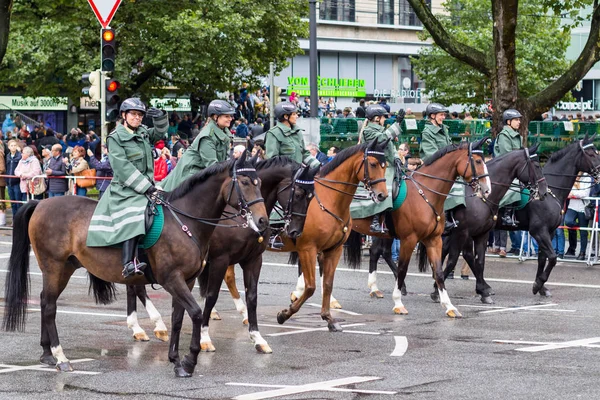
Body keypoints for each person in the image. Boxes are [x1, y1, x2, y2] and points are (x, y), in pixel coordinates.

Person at [86, 98, 169, 278]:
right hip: (126, 189)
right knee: (136, 214)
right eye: (133, 114)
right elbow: (122, 168)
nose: (137, 118)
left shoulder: (144, 133)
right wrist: (146, 188)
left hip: (148, 186)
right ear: (124, 115)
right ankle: (128, 263)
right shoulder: (115, 138)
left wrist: (161, 117)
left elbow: (161, 132)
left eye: (140, 115)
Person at [160, 99, 235, 192]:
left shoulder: (223, 132)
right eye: (226, 116)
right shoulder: (207, 136)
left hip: (203, 175)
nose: (230, 119)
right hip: (191, 177)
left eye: (230, 116)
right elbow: (213, 166)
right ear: (216, 117)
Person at [359, 104, 404, 232]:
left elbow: (391, 147)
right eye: (384, 117)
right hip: (375, 167)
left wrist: (396, 157)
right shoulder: (369, 131)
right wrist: (397, 124)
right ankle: (375, 220)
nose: (385, 119)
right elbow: (382, 140)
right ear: (377, 119)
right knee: (386, 186)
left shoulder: (381, 130)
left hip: (389, 165)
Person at [419, 102, 463, 232]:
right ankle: (446, 217)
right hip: (434, 169)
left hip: (446, 169)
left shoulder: (444, 129)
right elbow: (432, 154)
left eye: (444, 115)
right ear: (432, 116)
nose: (443, 117)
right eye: (441, 115)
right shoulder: (427, 132)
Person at [493, 109, 524, 257]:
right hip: (505, 170)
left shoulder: (518, 136)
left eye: (519, 119)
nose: (519, 122)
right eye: (516, 119)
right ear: (508, 122)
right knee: (514, 186)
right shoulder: (505, 135)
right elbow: (508, 155)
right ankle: (506, 213)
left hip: (515, 168)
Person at [264, 101, 320, 168]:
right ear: (286, 116)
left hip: (298, 174)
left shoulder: (298, 132)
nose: (297, 116)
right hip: (284, 176)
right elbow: (272, 160)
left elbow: (304, 154)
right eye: (294, 114)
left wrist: (318, 166)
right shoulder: (274, 134)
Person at [565, 172, 592, 260]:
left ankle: (582, 252)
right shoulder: (572, 175)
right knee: (568, 221)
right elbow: (568, 190)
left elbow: (585, 194)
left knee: (583, 232)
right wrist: (576, 193)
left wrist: (574, 194)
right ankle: (577, 226)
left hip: (583, 207)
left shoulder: (587, 178)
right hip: (572, 206)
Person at [6, 140, 23, 216]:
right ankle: (14, 218)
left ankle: (19, 219)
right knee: (12, 202)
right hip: (9, 182)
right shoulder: (8, 156)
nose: (13, 147)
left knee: (18, 202)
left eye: (14, 145)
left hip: (17, 182)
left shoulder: (20, 156)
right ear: (8, 147)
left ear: (17, 146)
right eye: (11, 145)